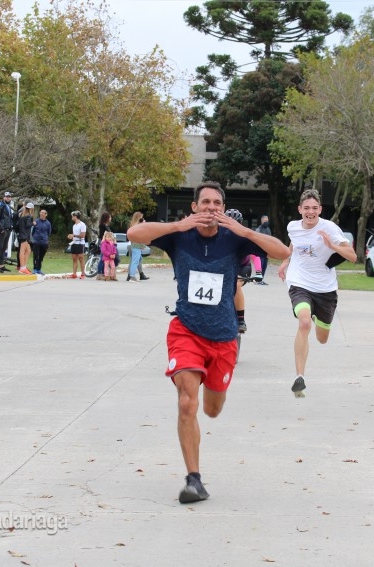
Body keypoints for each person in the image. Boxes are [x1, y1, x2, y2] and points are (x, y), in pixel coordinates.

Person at [126, 181, 289, 504]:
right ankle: (194, 480)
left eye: (217, 203)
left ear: (223, 209)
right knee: (188, 402)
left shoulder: (235, 239)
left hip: (224, 337)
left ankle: (213, 402)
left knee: (212, 409)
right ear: (195, 207)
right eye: (206, 203)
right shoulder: (179, 235)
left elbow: (283, 252)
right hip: (186, 330)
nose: (212, 208)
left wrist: (246, 232)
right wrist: (177, 225)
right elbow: (134, 235)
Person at [278, 189, 358, 398]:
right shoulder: (293, 227)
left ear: (320, 209)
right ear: (300, 210)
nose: (310, 212)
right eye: (306, 208)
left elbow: (352, 256)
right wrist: (286, 261)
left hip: (325, 290)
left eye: (314, 208)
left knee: (322, 338)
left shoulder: (329, 228)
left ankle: (316, 315)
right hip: (299, 283)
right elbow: (294, 243)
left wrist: (332, 245)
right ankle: (299, 378)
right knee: (304, 323)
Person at [0, 191, 14, 273]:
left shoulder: (8, 206)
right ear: (4, 197)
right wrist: (1, 229)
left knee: (4, 247)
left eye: (9, 196)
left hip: (8, 229)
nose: (8, 198)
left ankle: (2, 264)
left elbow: (9, 218)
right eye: (7, 196)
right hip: (2, 229)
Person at [30, 209, 51, 275]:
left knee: (41, 256)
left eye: (43, 213)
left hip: (44, 242)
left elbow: (49, 232)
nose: (42, 214)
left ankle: (39, 269)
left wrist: (45, 238)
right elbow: (32, 231)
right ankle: (35, 269)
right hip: (36, 241)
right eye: (41, 213)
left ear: (46, 215)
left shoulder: (48, 223)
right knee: (36, 256)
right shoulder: (36, 221)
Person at [17, 203, 35, 275]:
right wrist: (33, 223)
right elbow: (28, 225)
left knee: (28, 250)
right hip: (24, 236)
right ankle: (22, 268)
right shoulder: (28, 216)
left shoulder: (22, 215)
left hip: (22, 234)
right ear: (31, 209)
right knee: (22, 251)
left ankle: (24, 266)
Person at [68, 210, 87, 279]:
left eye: (72, 216)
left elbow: (83, 235)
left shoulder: (82, 224)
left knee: (81, 258)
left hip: (80, 243)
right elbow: (75, 235)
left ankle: (83, 274)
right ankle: (74, 274)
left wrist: (74, 235)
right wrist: (71, 236)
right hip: (74, 243)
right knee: (74, 258)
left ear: (75, 216)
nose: (72, 217)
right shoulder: (74, 225)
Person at [127, 212, 145, 282]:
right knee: (135, 261)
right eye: (141, 217)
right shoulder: (137, 226)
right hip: (136, 244)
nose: (142, 219)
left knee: (138, 259)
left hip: (134, 244)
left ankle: (131, 275)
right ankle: (132, 276)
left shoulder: (132, 225)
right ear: (139, 218)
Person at [254, 214, 271, 285]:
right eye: (265, 221)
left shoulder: (268, 230)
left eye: (267, 221)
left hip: (266, 251)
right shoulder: (258, 229)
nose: (266, 222)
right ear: (261, 221)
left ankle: (261, 280)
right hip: (260, 251)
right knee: (260, 266)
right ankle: (258, 280)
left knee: (264, 266)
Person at [96, 211, 113, 280]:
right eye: (110, 217)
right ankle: (99, 273)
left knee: (105, 259)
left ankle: (104, 272)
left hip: (108, 243)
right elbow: (103, 234)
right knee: (103, 258)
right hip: (103, 242)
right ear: (107, 218)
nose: (111, 218)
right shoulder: (102, 225)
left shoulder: (106, 225)